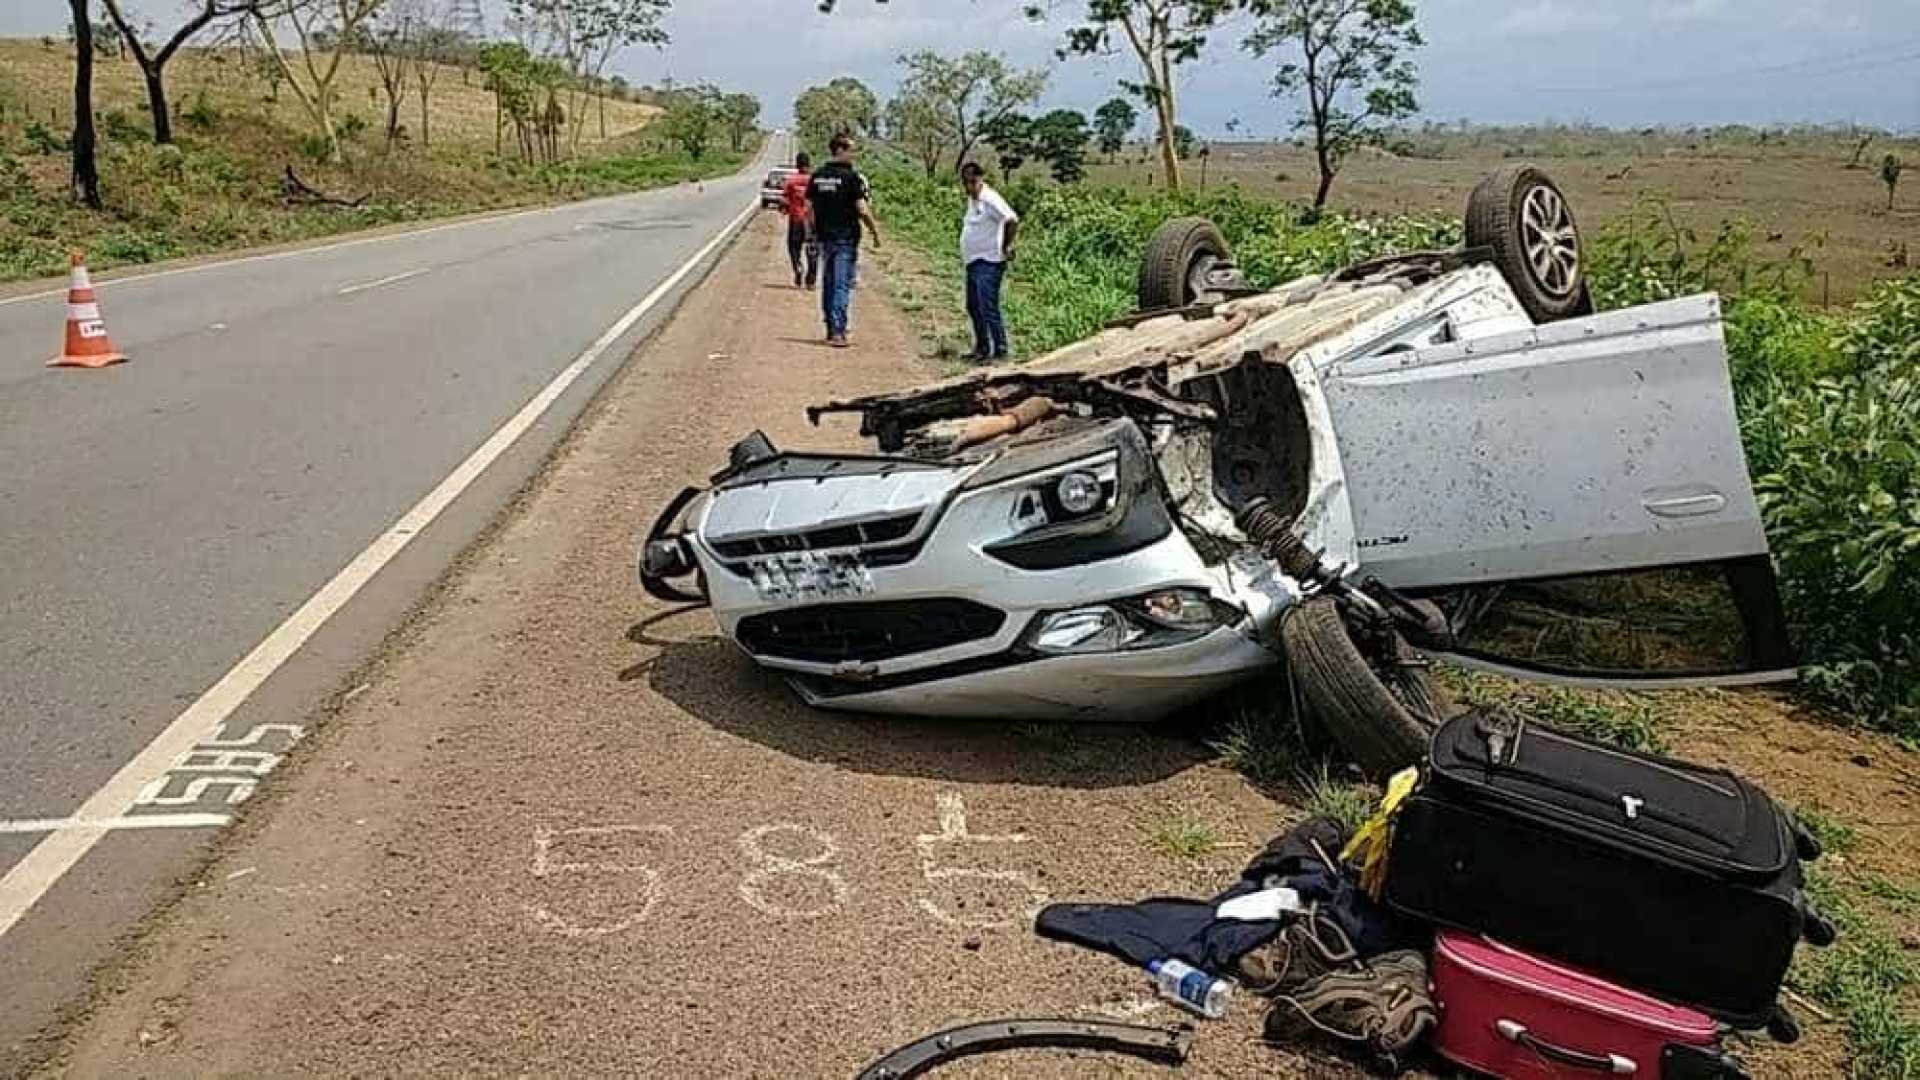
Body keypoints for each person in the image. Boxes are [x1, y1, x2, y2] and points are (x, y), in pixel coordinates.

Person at [806, 132, 881, 348]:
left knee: (828, 283)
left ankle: (830, 327)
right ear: (839, 150)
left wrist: (811, 233)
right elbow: (862, 209)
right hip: (845, 238)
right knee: (841, 285)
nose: (853, 154)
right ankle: (838, 331)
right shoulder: (851, 178)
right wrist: (874, 232)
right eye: (850, 150)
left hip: (824, 238)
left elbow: (809, 210)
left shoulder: (818, 176)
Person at [959, 161, 1019, 362]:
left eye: (972, 181)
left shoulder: (990, 199)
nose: (969, 187)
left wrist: (1006, 246)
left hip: (990, 261)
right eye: (965, 182)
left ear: (980, 179)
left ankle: (1000, 351)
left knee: (988, 306)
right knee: (973, 306)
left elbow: (1011, 220)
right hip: (973, 261)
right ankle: (982, 348)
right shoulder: (973, 200)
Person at [780, 152, 818, 289]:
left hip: (796, 219)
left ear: (797, 164)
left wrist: (784, 208)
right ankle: (811, 280)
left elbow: (784, 199)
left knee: (793, 247)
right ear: (809, 164)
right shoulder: (815, 180)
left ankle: (797, 266)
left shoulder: (791, 181)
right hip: (812, 220)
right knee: (813, 249)